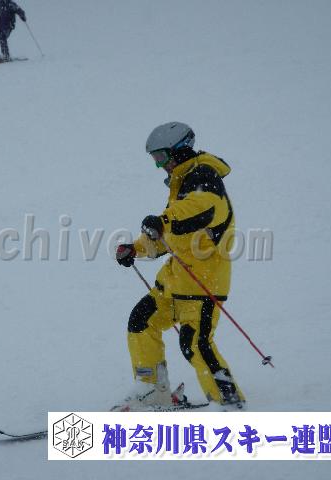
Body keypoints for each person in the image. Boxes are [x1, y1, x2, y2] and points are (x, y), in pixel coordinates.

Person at [113, 122, 246, 411]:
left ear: (180, 150)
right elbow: (169, 236)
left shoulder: (204, 177)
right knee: (141, 322)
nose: (159, 165)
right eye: (155, 159)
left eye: (161, 157)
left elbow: (201, 208)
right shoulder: (181, 185)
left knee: (195, 344)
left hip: (203, 284)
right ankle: (151, 388)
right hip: (174, 283)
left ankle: (229, 401)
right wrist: (135, 248)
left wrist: (164, 220)